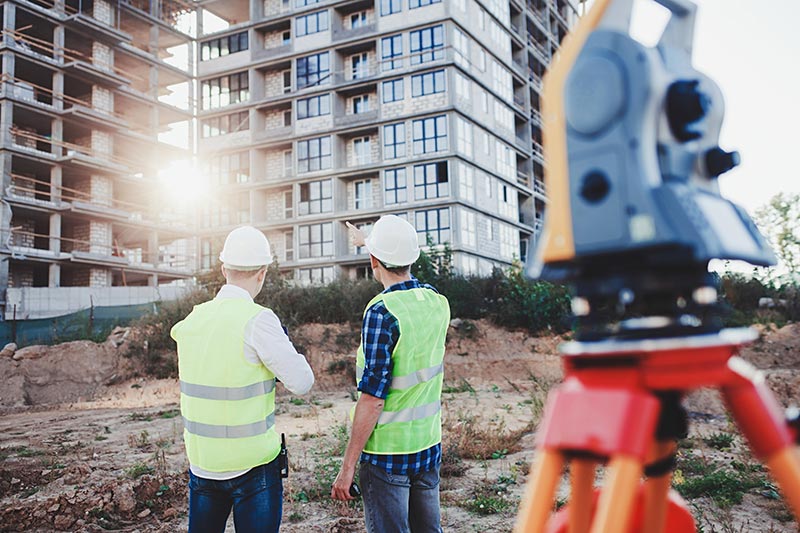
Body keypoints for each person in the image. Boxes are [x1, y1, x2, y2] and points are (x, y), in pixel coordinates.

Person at [171, 226, 314, 533]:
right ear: (262, 273)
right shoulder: (258, 320)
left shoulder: (192, 320)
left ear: (224, 269)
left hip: (203, 465)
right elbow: (302, 382)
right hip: (253, 468)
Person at [331, 215, 451, 533]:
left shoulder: (381, 313)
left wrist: (347, 466)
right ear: (413, 258)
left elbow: (373, 399)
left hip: (387, 455)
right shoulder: (437, 302)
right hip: (427, 445)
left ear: (373, 262)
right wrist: (368, 241)